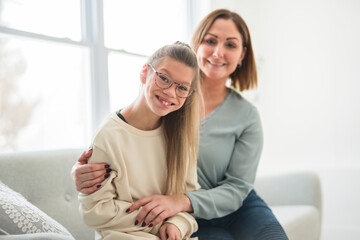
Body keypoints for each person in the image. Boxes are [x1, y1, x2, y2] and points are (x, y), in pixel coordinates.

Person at [72, 9, 289, 240]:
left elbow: (238, 188)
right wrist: (83, 171)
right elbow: (125, 135)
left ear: (242, 54)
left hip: (229, 208)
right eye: (211, 40)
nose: (218, 52)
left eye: (230, 45)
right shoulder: (166, 101)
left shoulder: (246, 115)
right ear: (197, 44)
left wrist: (181, 202)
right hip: (182, 217)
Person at [77, 42, 202, 240]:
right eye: (163, 78)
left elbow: (189, 201)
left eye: (182, 88)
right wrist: (160, 220)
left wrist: (177, 223)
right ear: (145, 73)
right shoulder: (109, 135)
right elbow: (95, 212)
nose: (171, 92)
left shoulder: (180, 138)